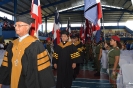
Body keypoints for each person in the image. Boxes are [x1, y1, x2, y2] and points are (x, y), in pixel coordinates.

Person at [0, 16, 55, 88]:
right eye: (15, 25)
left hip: (29, 83)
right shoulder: (12, 45)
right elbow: (5, 64)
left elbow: (43, 68)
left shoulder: (36, 45)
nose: (16, 27)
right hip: (13, 80)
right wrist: (1, 80)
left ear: (28, 27)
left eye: (19, 25)